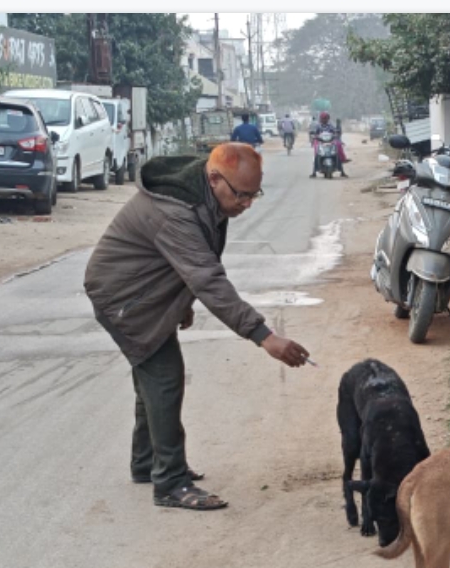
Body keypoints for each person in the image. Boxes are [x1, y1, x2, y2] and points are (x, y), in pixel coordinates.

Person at [83, 143, 311, 510]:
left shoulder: (206, 195)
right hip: (125, 298)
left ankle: (146, 464)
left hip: (149, 291)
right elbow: (208, 278)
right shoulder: (176, 211)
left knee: (151, 380)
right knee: (164, 376)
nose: (247, 204)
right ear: (215, 178)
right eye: (242, 195)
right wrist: (264, 336)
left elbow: (193, 262)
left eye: (255, 195)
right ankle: (170, 482)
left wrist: (180, 303)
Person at [309, 111, 350, 178]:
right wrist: (314, 136)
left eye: (326, 118)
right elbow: (315, 133)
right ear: (321, 119)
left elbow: (335, 131)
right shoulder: (318, 126)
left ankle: (342, 171)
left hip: (330, 141)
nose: (324, 120)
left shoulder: (330, 126)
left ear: (328, 119)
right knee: (316, 152)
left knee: (337, 151)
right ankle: (314, 172)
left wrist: (336, 133)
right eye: (323, 118)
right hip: (320, 141)